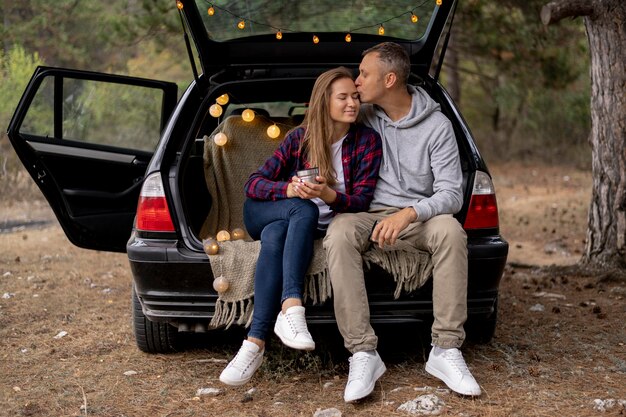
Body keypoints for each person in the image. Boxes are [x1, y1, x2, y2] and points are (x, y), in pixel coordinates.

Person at [323, 42, 481, 402]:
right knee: (340, 231)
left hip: (417, 216)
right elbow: (320, 130)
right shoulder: (360, 114)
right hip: (367, 213)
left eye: (364, 74)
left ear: (389, 79)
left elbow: (452, 194)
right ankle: (363, 353)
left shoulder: (437, 127)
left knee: (451, 231)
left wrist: (410, 213)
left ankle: (445, 350)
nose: (357, 81)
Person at [219, 67, 383, 386]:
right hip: (264, 211)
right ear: (324, 102)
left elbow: (362, 201)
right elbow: (253, 184)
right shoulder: (300, 138)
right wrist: (288, 190)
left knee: (277, 234)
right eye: (343, 97)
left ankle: (254, 343)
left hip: (298, 225)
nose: (352, 103)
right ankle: (292, 306)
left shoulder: (367, 142)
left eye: (356, 96)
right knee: (301, 209)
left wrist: (329, 194)